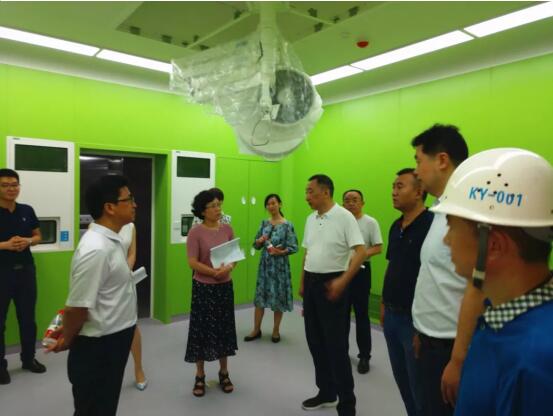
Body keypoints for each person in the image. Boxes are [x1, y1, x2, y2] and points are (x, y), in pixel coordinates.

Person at [430, 148, 553, 415]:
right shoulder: (502, 318)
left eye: (451, 226)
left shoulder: (536, 362)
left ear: (493, 245)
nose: (446, 239)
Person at [410, 124, 485, 416]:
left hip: (452, 349)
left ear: (441, 160)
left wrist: (457, 360)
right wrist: (421, 330)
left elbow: (477, 287)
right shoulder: (441, 208)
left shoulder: (469, 212)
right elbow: (435, 276)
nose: (416, 170)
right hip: (430, 340)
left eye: (419, 160)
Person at [48, 175, 138, 416]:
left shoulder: (112, 240)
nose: (135, 204)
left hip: (114, 339)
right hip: (99, 347)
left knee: (105, 406)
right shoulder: (96, 248)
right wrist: (67, 339)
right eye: (129, 199)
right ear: (110, 207)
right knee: (94, 409)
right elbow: (76, 307)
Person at [300, 174, 367, 416]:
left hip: (333, 283)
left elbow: (361, 252)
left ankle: (347, 404)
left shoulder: (344, 216)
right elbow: (307, 252)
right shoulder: (310, 218)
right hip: (312, 283)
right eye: (306, 192)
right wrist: (302, 283)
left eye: (310, 191)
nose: (307, 196)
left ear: (326, 192)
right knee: (315, 341)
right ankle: (326, 392)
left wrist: (343, 281)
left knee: (336, 346)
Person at [381, 168, 433, 416]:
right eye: (393, 186)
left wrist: (423, 326)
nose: (393, 191)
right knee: (402, 382)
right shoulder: (396, 226)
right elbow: (392, 265)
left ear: (419, 191)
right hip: (392, 317)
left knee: (420, 388)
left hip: (415, 322)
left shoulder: (432, 225)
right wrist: (384, 303)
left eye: (400, 186)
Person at [185, 189, 238, 397]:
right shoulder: (195, 232)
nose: (218, 209)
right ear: (202, 210)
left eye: (219, 205)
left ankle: (224, 372)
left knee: (224, 328)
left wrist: (229, 267)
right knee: (201, 331)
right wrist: (213, 272)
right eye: (213, 206)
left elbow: (234, 256)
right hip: (203, 288)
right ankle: (200, 375)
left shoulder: (227, 229)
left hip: (224, 287)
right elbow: (192, 262)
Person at [0, 168, 46, 385]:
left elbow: (38, 236)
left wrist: (27, 241)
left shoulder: (27, 210)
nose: (11, 189)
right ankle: (0, 366)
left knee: (28, 319)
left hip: (26, 271)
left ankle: (28, 359)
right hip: (2, 272)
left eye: (14, 184)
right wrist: (6, 245)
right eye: (5, 185)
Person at [244, 194, 298, 343]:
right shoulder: (264, 223)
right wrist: (259, 241)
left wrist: (280, 252)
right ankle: (256, 330)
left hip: (280, 267)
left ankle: (276, 331)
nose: (271, 206)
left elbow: (294, 247)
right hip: (265, 267)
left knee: (278, 298)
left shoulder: (287, 225)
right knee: (260, 298)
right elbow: (255, 245)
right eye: (268, 204)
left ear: (280, 204)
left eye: (273, 203)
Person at [342, 189, 383, 374]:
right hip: (341, 271)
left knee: (361, 315)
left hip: (361, 272)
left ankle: (364, 356)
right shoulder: (341, 222)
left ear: (362, 203)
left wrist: (359, 255)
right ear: (342, 204)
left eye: (355, 200)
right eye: (347, 200)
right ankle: (341, 352)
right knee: (342, 314)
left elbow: (378, 248)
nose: (351, 203)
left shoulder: (370, 222)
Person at [119, 222, 148, 391]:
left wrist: (123, 273)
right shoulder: (96, 228)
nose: (133, 209)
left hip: (125, 281)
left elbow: (132, 254)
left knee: (132, 325)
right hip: (105, 284)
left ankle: (138, 369)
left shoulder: (130, 227)